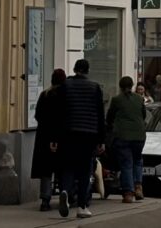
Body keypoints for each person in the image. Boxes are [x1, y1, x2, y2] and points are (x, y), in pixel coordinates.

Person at [57, 59, 105, 218]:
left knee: (68, 166)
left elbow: (59, 112)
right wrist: (101, 140)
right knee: (85, 171)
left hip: (68, 133)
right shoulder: (94, 87)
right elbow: (100, 115)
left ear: (74, 69)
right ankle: (82, 206)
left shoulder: (65, 86)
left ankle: (64, 190)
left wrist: (55, 137)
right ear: (88, 70)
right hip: (88, 134)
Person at [106, 76, 147, 204]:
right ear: (132, 85)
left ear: (120, 86)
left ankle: (128, 193)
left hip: (123, 136)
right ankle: (138, 187)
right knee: (138, 160)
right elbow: (143, 115)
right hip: (139, 135)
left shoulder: (117, 100)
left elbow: (109, 117)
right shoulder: (139, 99)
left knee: (126, 163)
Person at [32, 69, 67, 211]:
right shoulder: (65, 96)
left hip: (44, 137)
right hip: (62, 136)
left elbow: (38, 115)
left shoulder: (45, 95)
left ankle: (45, 200)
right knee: (62, 169)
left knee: (46, 170)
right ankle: (64, 195)